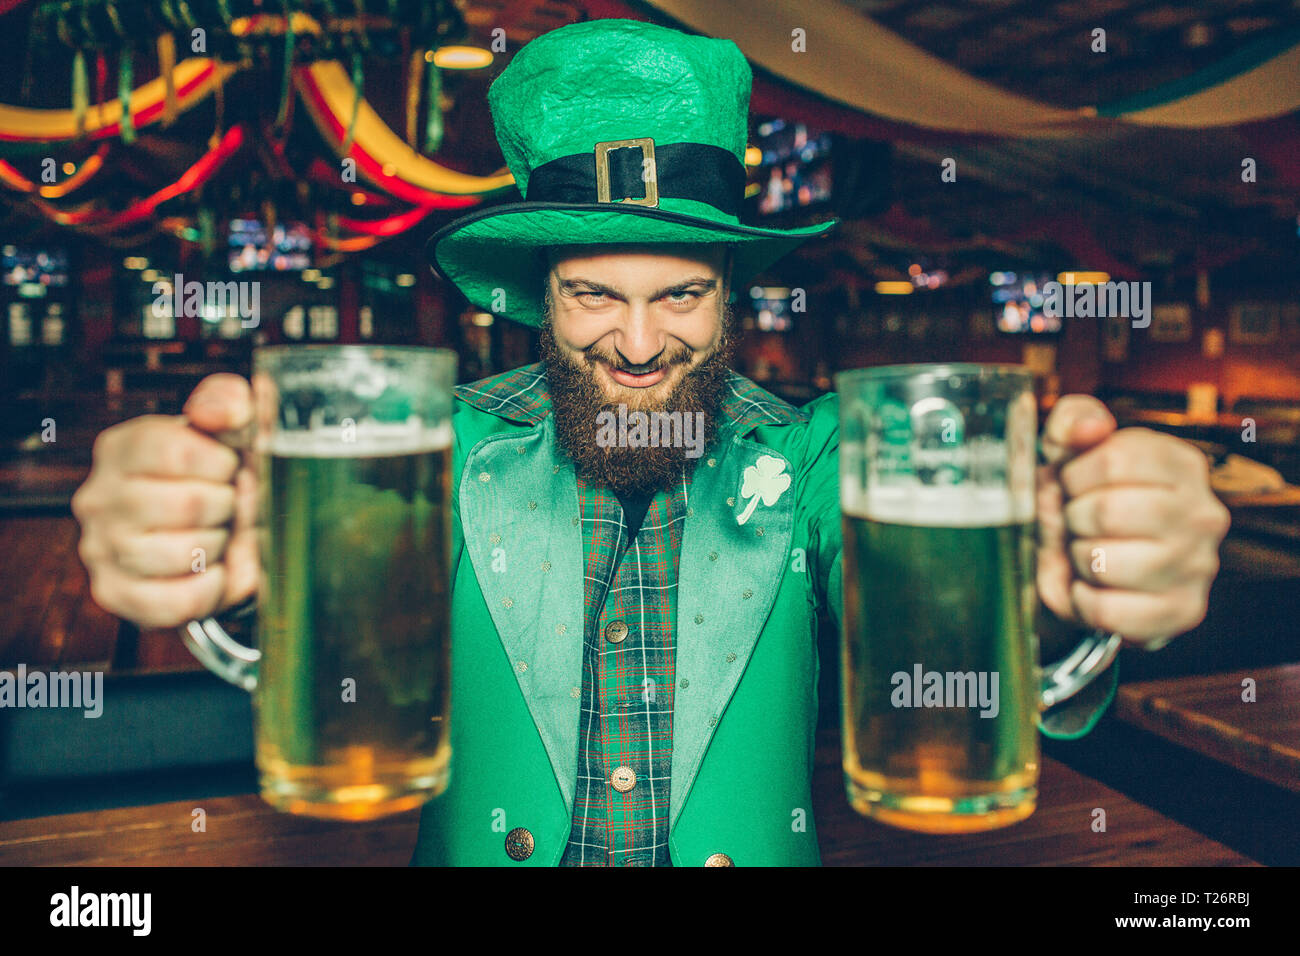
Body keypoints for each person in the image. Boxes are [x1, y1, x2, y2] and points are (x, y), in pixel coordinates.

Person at [72, 18, 1230, 866]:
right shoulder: (432, 444)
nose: (636, 342)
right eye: (592, 295)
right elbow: (310, 607)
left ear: (732, 299)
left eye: (679, 293)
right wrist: (204, 566)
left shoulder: (824, 452)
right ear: (538, 296)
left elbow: (964, 616)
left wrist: (1076, 584)